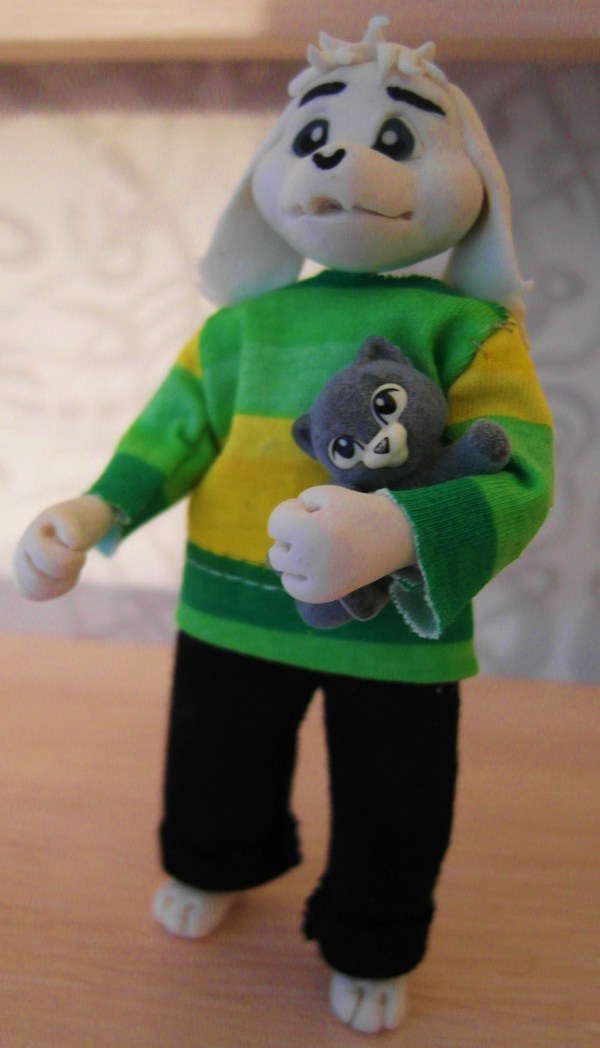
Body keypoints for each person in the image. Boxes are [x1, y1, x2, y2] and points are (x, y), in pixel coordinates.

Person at [14, 17, 554, 1035]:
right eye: (314, 139)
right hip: (233, 608)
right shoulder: (238, 330)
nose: (344, 162)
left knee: (397, 794)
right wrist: (92, 511)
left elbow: (520, 472)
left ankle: (375, 935)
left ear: (476, 176)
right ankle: (212, 860)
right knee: (214, 755)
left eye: (396, 140)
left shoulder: (467, 328)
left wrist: (398, 531)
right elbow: (171, 435)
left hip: (397, 629)